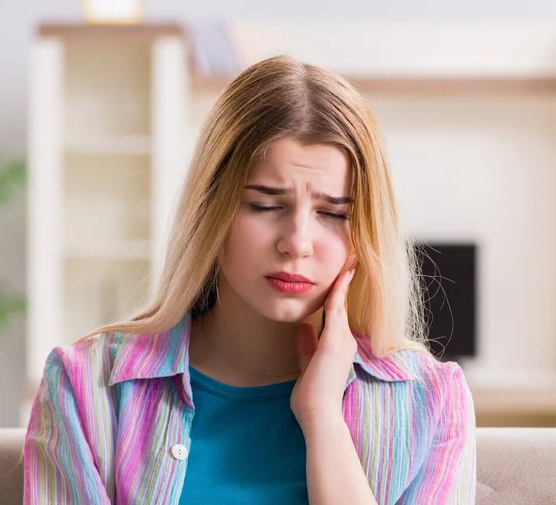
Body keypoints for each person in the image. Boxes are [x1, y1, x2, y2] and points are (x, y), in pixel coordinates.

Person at [23, 55, 476, 505]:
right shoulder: (86, 387)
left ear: (366, 232)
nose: (298, 242)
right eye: (264, 205)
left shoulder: (431, 402)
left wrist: (322, 420)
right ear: (211, 209)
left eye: (333, 214)